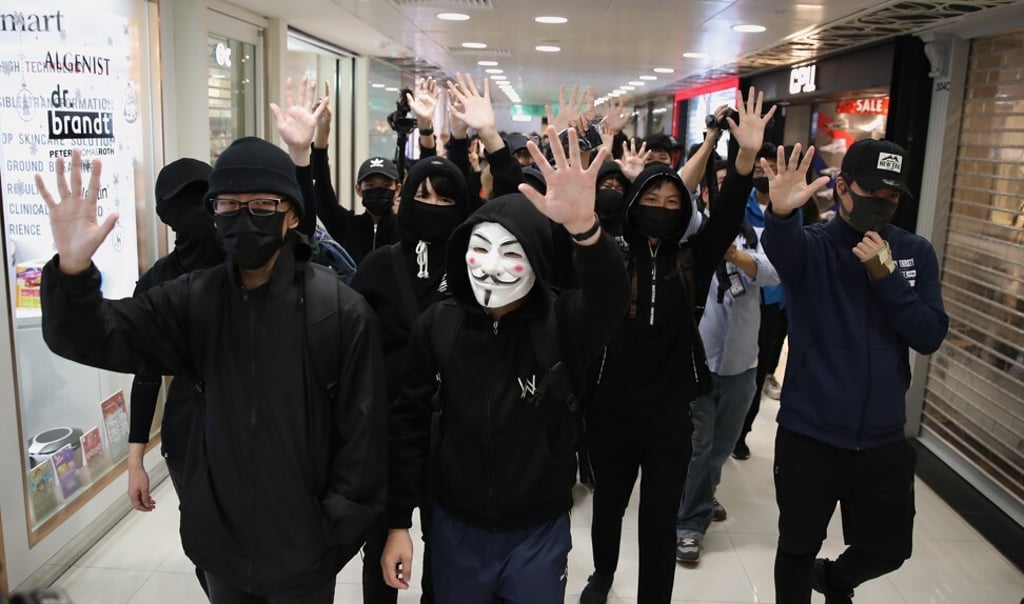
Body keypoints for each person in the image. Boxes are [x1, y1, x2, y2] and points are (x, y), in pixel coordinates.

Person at [37, 136, 386, 603]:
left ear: (294, 214)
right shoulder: (191, 300)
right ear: (213, 214)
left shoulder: (340, 311)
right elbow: (101, 335)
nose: (243, 216)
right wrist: (73, 271)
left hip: (307, 558)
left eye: (262, 203)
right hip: (220, 552)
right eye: (228, 204)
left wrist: (329, 539)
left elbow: (363, 445)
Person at [381, 128, 629, 603]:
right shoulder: (440, 324)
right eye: (480, 249)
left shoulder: (561, 322)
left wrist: (585, 231)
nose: (491, 268)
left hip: (539, 526)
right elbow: (408, 424)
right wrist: (399, 521)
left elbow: (610, 297)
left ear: (536, 261)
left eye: (511, 254)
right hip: (456, 523)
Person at [579, 87, 776, 604]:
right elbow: (574, 220)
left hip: (670, 417)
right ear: (632, 203)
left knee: (659, 517)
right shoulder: (610, 254)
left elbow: (730, 212)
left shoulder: (692, 257)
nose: (663, 208)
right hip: (611, 412)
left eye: (673, 203)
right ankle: (601, 575)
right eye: (652, 199)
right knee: (609, 507)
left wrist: (745, 156)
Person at [762, 140, 948, 603]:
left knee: (888, 549)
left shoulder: (913, 252)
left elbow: (928, 335)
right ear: (842, 188)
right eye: (872, 192)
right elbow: (782, 249)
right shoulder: (814, 247)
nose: (881, 204)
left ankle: (836, 581)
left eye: (892, 196)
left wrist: (886, 277)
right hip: (810, 435)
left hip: (883, 437)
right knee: (798, 546)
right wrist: (782, 215)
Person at [351, 155, 471, 604]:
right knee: (381, 549)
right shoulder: (378, 267)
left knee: (447, 555)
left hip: (454, 432)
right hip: (386, 430)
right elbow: (351, 349)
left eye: (445, 197)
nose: (433, 204)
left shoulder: (471, 269)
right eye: (423, 194)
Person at [674, 159, 780, 564]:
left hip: (741, 366)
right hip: (697, 361)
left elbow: (772, 274)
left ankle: (702, 494)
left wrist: (734, 254)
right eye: (717, 185)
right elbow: (680, 194)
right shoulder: (694, 232)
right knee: (700, 446)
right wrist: (707, 145)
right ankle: (688, 523)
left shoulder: (757, 234)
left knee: (719, 446)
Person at [125, 157, 221, 596]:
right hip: (186, 430)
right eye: (180, 203)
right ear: (165, 214)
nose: (194, 210)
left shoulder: (246, 264)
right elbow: (145, 373)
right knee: (203, 544)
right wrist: (135, 460)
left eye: (201, 198)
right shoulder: (156, 283)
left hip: (253, 421)